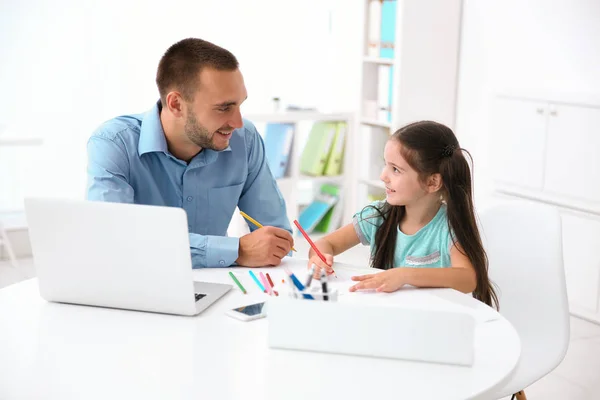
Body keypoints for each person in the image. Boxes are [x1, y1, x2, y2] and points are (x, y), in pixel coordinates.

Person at [86, 38, 294, 269]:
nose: (237, 123)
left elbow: (276, 238)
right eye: (224, 108)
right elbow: (112, 237)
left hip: (220, 286)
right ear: (176, 104)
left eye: (239, 105)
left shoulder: (246, 139)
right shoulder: (114, 143)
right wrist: (236, 251)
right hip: (139, 287)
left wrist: (268, 248)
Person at [308, 120, 498, 308]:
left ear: (432, 182)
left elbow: (467, 278)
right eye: (386, 165)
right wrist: (319, 256)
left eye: (396, 170)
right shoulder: (378, 216)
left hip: (434, 322)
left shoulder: (448, 226)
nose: (383, 176)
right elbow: (327, 243)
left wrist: (404, 275)